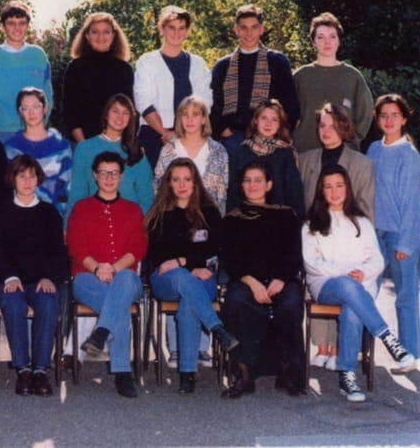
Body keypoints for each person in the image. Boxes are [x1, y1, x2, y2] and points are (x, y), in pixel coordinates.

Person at [302, 165, 415, 402]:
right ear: (321, 191)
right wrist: (345, 273)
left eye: (339, 186)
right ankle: (387, 337)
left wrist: (363, 273)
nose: (334, 192)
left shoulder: (361, 222)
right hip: (326, 286)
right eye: (328, 187)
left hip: (361, 285)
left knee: (352, 310)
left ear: (348, 188)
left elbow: (377, 259)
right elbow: (312, 263)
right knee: (346, 285)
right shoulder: (311, 224)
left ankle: (347, 375)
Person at [144, 159, 239, 394]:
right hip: (166, 280)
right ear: (168, 183)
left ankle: (187, 373)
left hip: (201, 277)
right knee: (180, 277)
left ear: (195, 181)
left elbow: (215, 246)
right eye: (176, 180)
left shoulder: (209, 212)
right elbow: (157, 255)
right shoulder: (159, 213)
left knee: (189, 300)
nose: (182, 185)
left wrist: (184, 261)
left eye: (187, 179)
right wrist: (186, 265)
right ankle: (217, 328)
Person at [299, 103, 375, 369]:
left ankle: (340, 349)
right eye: (322, 125)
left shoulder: (362, 164)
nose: (327, 131)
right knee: (320, 281)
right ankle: (322, 347)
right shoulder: (306, 160)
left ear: (344, 128)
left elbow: (366, 209)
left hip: (349, 241)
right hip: (316, 236)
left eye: (333, 126)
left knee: (345, 286)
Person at [219, 161, 305, 398]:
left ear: (269, 185)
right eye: (247, 180)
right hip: (247, 281)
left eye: (258, 180)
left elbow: (294, 253)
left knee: (290, 302)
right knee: (236, 300)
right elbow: (230, 258)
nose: (252, 185)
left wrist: (282, 278)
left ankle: (289, 373)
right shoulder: (232, 219)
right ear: (241, 185)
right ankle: (243, 374)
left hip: (281, 280)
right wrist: (251, 282)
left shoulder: (287, 216)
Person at [67, 151, 148, 398]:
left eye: (114, 173)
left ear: (121, 176)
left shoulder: (133, 210)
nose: (109, 178)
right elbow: (75, 246)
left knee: (124, 281)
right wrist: (97, 268)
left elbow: (138, 247)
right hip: (87, 277)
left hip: (125, 276)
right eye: (104, 173)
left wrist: (114, 268)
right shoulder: (81, 208)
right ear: (95, 175)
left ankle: (101, 332)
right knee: (118, 305)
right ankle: (123, 372)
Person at [0, 155, 69, 396]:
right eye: (21, 176)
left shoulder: (49, 213)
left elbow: (58, 253)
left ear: (38, 180)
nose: (27, 181)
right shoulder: (1, 213)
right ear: (13, 179)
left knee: (48, 303)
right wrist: (9, 277)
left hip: (41, 280)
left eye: (31, 176)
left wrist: (49, 277)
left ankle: (40, 370)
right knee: (13, 304)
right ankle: (23, 369)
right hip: (12, 281)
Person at [367, 94, 420, 370]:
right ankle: (360, 349)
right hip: (373, 234)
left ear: (404, 119)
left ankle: (410, 355)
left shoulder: (409, 156)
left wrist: (407, 242)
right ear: (377, 119)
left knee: (405, 297)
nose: (389, 120)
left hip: (400, 235)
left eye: (394, 115)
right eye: (384, 115)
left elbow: (415, 203)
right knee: (365, 291)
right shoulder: (373, 150)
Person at [211, 4, 299, 152]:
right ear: (236, 30)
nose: (249, 33)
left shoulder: (277, 61)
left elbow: (290, 104)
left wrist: (277, 136)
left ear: (261, 29)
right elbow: (213, 104)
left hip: (269, 140)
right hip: (233, 140)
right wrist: (224, 131)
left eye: (254, 27)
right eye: (244, 28)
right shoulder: (223, 66)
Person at [134, 5, 213, 167]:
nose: (176, 33)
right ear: (162, 29)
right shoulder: (147, 61)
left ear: (187, 31)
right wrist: (165, 133)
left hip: (190, 136)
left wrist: (184, 133)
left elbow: (206, 101)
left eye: (181, 28)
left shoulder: (198, 63)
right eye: (171, 27)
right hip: (155, 137)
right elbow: (143, 102)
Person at [292, 13, 373, 153]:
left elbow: (365, 113)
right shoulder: (301, 76)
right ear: (313, 42)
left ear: (339, 40)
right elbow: (285, 113)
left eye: (332, 36)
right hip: (304, 151)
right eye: (321, 37)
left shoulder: (352, 76)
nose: (327, 42)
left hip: (343, 154)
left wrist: (353, 140)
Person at [65, 93, 153, 223]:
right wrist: (68, 225)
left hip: (129, 222)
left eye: (125, 113)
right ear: (106, 114)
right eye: (115, 111)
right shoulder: (84, 149)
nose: (120, 117)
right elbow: (77, 191)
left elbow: (146, 195)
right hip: (95, 220)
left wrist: (143, 225)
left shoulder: (136, 151)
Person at [0, 1, 52, 141]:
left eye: (22, 23)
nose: (17, 28)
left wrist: (40, 125)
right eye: (11, 23)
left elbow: (47, 95)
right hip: (1, 133)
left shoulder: (38, 55)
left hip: (34, 132)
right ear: (3, 26)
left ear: (27, 26)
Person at [227, 99, 305, 218]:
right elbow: (232, 193)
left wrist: (295, 222)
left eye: (274, 120)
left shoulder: (286, 154)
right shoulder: (240, 152)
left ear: (280, 125)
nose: (268, 123)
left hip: (278, 221)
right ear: (256, 121)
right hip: (245, 220)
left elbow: (295, 195)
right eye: (264, 118)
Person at [63, 12, 134, 142]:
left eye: (106, 32)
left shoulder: (125, 69)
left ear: (113, 35)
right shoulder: (75, 68)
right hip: (83, 142)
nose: (101, 37)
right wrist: (85, 146)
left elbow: (129, 110)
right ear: (87, 36)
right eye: (95, 32)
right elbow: (70, 112)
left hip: (116, 142)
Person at [155, 95, 229, 214]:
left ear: (204, 119)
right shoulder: (169, 149)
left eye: (195, 114)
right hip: (174, 214)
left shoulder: (218, 151)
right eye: (185, 115)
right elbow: (159, 186)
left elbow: (221, 193)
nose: (190, 120)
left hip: (207, 216)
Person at [4, 87, 72, 216]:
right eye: (25, 108)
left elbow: (68, 187)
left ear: (45, 108)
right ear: (20, 112)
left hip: (54, 216)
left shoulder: (61, 146)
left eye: (36, 106)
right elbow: (7, 188)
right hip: (19, 216)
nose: (31, 113)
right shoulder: (11, 148)